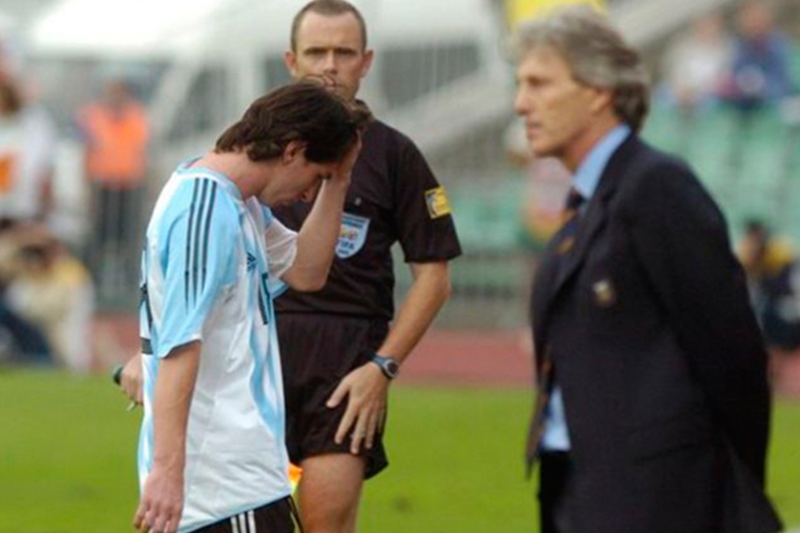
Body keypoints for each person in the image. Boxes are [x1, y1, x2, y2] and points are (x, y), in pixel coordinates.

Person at [513, 6, 781, 533]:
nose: (521, 103)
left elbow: (734, 354)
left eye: (539, 83)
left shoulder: (656, 187)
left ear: (597, 91)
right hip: (582, 490)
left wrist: (731, 489)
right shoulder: (582, 208)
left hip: (657, 501)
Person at [133, 81, 367, 533]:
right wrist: (166, 471)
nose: (308, 194)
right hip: (222, 486)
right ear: (292, 150)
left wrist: (339, 179)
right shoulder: (205, 209)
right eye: (316, 175)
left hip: (241, 482)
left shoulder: (238, 203)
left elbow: (306, 270)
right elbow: (180, 344)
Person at [274, 2, 461, 532]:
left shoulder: (396, 155)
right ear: (291, 60)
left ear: (366, 61)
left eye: (344, 52)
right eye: (316, 52)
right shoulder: (259, 145)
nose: (330, 65)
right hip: (258, 355)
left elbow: (434, 278)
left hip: (347, 364)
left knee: (325, 525)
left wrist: (383, 366)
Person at [78, 78, 149, 291]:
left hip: (129, 185)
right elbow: (87, 149)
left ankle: (131, 282)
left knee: (129, 235)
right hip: (102, 185)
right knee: (97, 235)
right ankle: (91, 281)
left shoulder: (136, 116)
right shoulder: (93, 116)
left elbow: (142, 149)